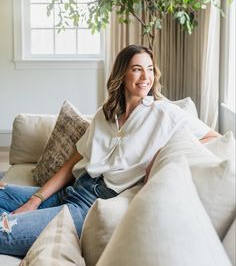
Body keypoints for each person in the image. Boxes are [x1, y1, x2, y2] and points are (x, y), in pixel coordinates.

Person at [0, 44, 219, 256]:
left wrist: (164, 155)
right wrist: (35, 200)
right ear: (122, 74)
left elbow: (213, 137)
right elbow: (72, 163)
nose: (146, 77)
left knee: (4, 233)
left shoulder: (164, 112)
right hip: (72, 191)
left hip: (89, 207)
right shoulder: (104, 114)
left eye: (150, 69)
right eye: (137, 69)